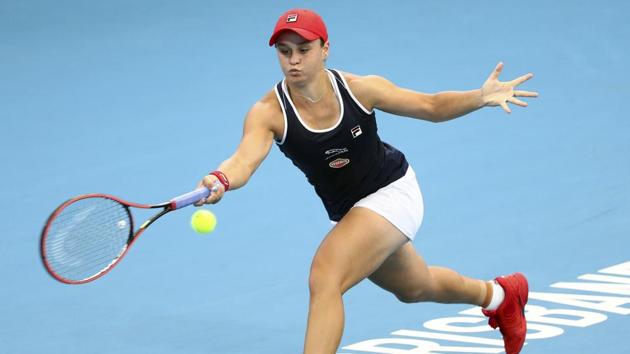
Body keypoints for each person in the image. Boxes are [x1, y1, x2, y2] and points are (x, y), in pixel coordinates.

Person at [195, 8, 538, 354]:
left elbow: (430, 106)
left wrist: (479, 97)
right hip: (351, 213)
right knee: (416, 287)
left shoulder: (360, 88)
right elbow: (243, 160)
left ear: (325, 49)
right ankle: (500, 295)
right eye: (285, 52)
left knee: (325, 276)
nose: (293, 61)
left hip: (393, 191)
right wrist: (222, 178)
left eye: (304, 50)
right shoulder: (268, 112)